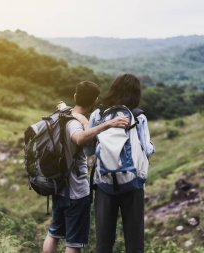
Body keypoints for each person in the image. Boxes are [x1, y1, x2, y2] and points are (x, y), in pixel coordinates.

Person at [42, 81, 129, 253]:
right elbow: (79, 139)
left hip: (59, 187)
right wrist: (107, 124)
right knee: (73, 243)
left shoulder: (63, 114)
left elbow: (66, 110)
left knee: (53, 234)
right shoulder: (75, 123)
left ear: (75, 97)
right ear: (95, 100)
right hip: (76, 192)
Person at [85, 74, 155, 253]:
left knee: (104, 243)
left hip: (104, 183)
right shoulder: (138, 116)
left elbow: (89, 149)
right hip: (133, 185)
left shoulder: (98, 114)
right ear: (136, 93)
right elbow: (147, 149)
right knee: (134, 244)